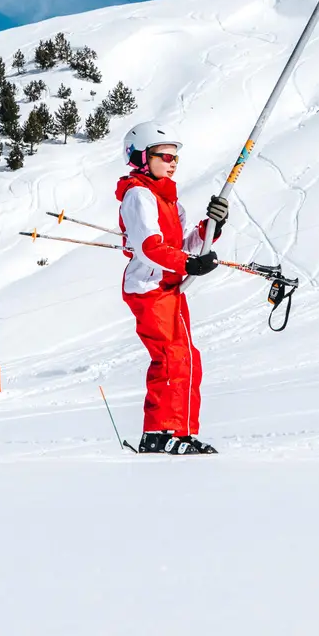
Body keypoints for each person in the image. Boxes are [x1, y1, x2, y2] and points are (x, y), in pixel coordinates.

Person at [116, 121, 227, 455]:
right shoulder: (139, 195)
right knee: (169, 358)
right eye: (164, 155)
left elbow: (182, 244)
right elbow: (151, 247)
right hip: (149, 287)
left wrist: (211, 228)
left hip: (169, 287)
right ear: (140, 157)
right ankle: (158, 432)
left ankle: (180, 430)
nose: (172, 161)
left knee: (186, 358)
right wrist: (188, 264)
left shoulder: (167, 200)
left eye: (175, 156)